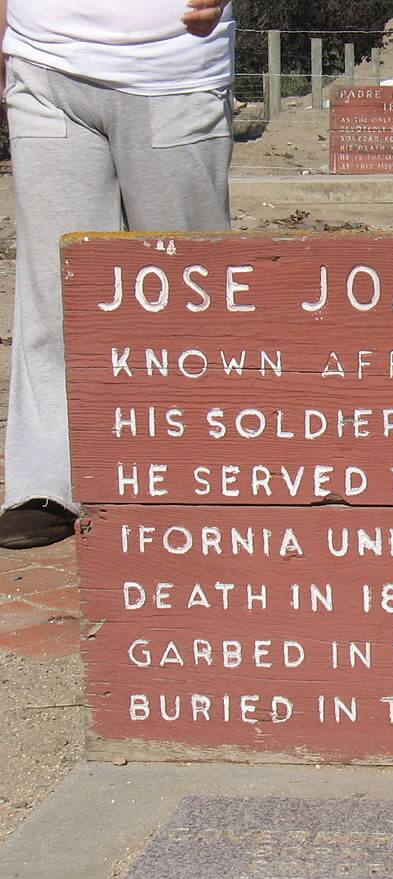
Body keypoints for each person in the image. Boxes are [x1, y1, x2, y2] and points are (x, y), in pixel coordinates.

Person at [0, 0, 234, 548]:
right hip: (43, 64)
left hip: (173, 66)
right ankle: (46, 482)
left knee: (188, 296)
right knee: (54, 291)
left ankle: (198, 473)